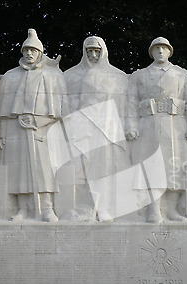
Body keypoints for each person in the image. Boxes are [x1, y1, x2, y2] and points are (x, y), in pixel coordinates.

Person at [126, 37, 187, 223]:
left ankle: (172, 210)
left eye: (164, 48)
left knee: (174, 167)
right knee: (152, 167)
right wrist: (131, 126)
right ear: (151, 52)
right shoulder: (139, 75)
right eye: (156, 48)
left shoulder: (183, 74)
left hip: (175, 125)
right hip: (149, 124)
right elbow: (131, 103)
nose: (160, 51)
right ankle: (154, 210)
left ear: (169, 51)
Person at [0, 29, 67, 222]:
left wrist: (38, 121)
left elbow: (58, 110)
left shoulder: (49, 76)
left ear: (40, 53)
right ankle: (23, 209)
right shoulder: (11, 76)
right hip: (15, 130)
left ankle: (47, 208)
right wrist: (2, 133)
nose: (29, 54)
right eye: (26, 50)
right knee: (19, 170)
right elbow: (2, 111)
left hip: (41, 129)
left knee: (43, 169)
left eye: (33, 50)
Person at [64, 36, 129, 220]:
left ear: (103, 52)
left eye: (97, 51)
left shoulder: (117, 75)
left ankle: (105, 207)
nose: (93, 55)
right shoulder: (70, 75)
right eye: (89, 51)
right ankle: (85, 208)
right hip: (79, 129)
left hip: (106, 130)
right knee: (80, 170)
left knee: (104, 170)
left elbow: (124, 106)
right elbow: (64, 104)